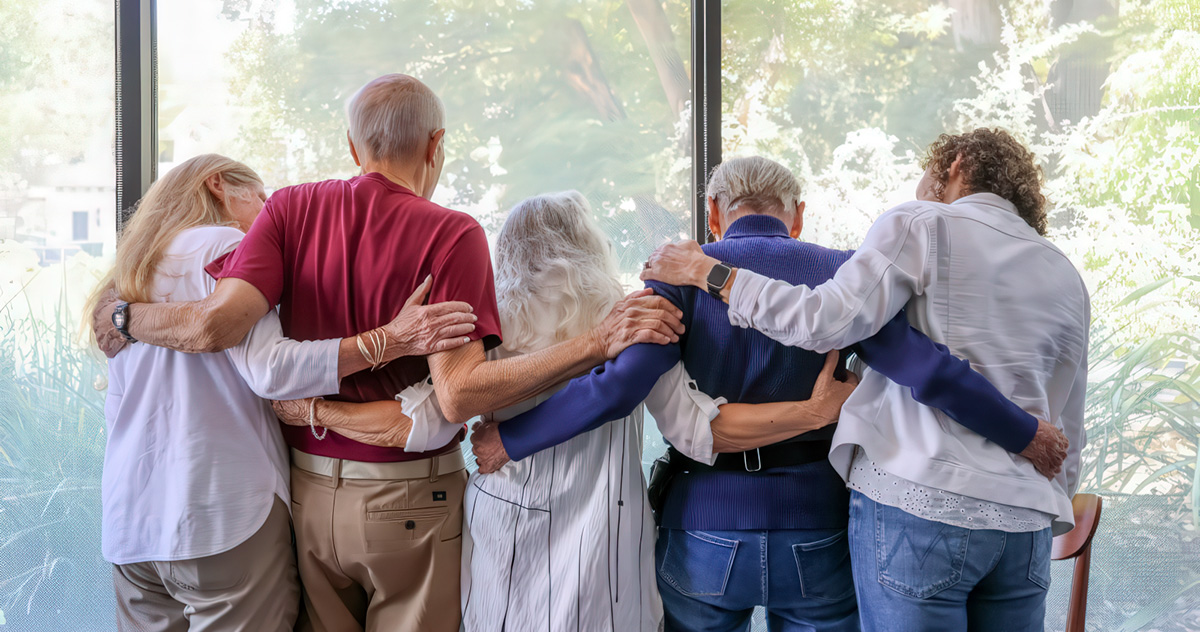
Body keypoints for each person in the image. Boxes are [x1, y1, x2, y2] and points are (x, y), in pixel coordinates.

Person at [91, 74, 682, 632]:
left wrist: (125, 314)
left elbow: (225, 327)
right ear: (436, 144)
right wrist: (598, 341)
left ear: (353, 146)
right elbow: (457, 395)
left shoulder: (285, 211)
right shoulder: (453, 234)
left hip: (309, 498)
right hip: (410, 499)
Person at [475, 155, 1068, 632]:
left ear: (713, 212)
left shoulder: (677, 273)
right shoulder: (845, 272)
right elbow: (923, 368)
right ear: (798, 215)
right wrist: (1026, 434)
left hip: (703, 525)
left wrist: (512, 438)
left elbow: (622, 384)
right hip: (819, 528)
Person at [271, 190, 861, 630]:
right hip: (605, 526)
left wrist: (320, 411)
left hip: (506, 521)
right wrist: (812, 412)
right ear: (590, 241)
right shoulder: (631, 316)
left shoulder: (483, 318)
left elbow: (420, 420)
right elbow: (693, 429)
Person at [641, 131, 1089, 631]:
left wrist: (712, 272)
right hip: (1009, 519)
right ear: (798, 213)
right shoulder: (1064, 271)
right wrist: (1046, 493)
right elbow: (1068, 419)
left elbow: (829, 323)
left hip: (904, 502)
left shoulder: (918, 224)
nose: (921, 189)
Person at [90, 154, 465, 631]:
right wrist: (387, 341)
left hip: (132, 522)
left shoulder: (129, 275)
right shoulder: (228, 246)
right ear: (218, 186)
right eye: (261, 196)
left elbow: (118, 408)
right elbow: (271, 370)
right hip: (218, 512)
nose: (268, 210)